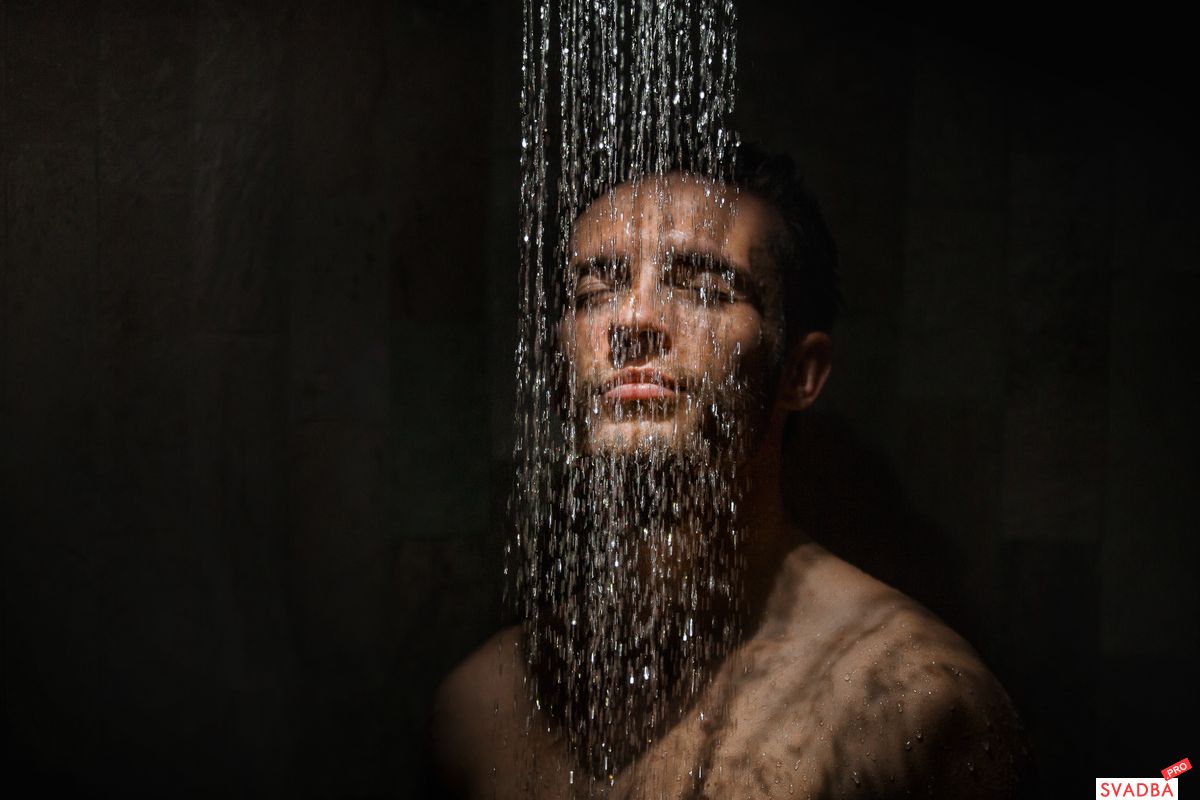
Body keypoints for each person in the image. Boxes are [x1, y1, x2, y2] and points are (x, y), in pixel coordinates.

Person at [431, 148, 1027, 798]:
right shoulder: (477, 707)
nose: (631, 323)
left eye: (707, 289)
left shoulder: (915, 699)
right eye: (594, 292)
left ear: (800, 373)